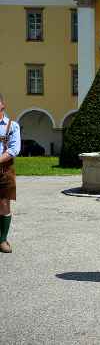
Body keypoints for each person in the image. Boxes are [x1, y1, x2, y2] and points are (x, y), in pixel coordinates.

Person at [0, 94, 21, 254]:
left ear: (2, 105)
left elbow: (14, 149)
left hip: (4, 170)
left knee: (4, 204)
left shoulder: (12, 126)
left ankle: (2, 240)